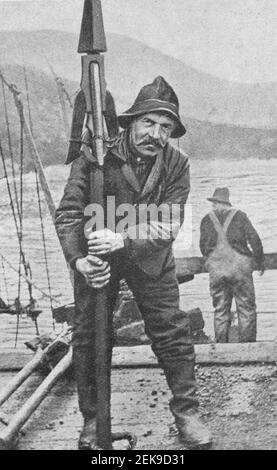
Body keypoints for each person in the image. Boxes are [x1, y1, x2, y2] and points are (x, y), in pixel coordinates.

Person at [55, 76, 212, 450]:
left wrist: (124, 237)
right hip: (97, 260)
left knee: (172, 332)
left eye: (166, 127)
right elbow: (69, 215)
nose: (156, 135)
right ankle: (93, 419)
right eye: (149, 122)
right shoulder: (94, 156)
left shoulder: (177, 163)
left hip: (149, 259)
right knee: (90, 334)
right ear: (131, 122)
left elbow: (172, 221)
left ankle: (187, 413)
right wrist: (79, 261)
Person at [200, 187, 264, 343]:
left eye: (213, 203)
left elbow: (203, 246)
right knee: (246, 308)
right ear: (227, 203)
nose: (213, 207)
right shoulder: (240, 216)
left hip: (217, 270)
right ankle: (247, 347)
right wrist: (259, 261)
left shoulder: (206, 219)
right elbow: (254, 239)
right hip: (240, 270)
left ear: (217, 203)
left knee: (220, 310)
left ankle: (222, 347)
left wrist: (212, 262)